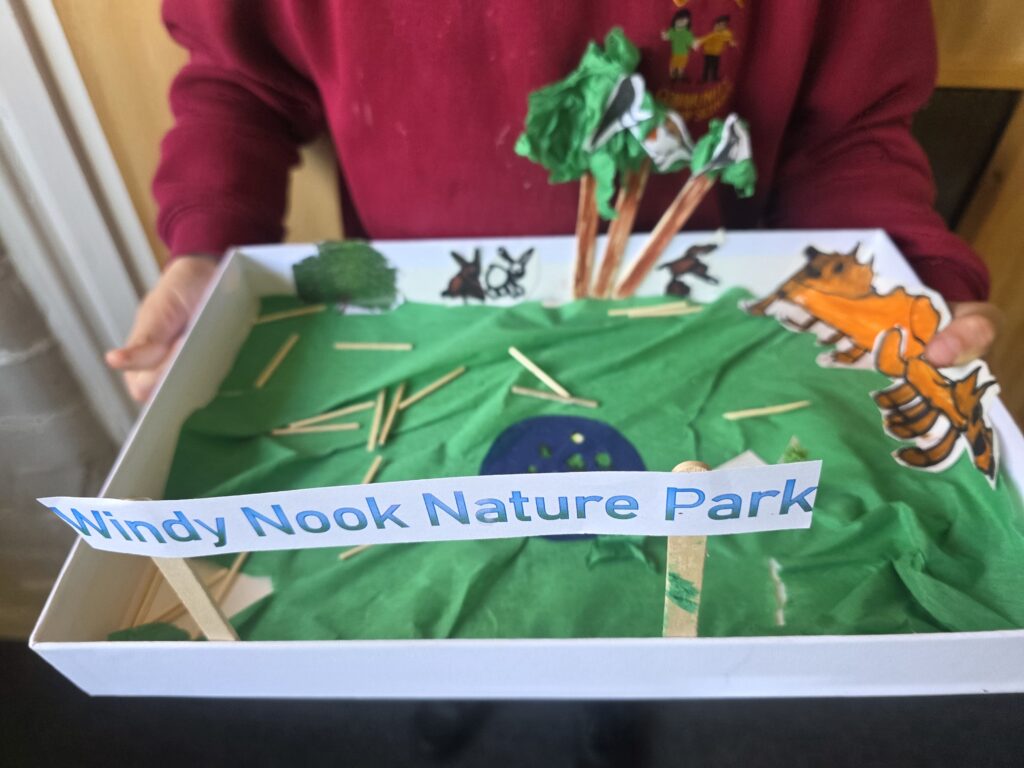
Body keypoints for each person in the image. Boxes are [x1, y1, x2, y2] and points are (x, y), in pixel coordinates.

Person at [108, 0, 1001, 406]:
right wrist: (210, 246)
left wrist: (901, 274)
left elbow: (844, 131)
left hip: (703, 332)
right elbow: (240, 82)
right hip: (411, 333)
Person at [661, 9, 696, 81]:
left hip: (684, 54)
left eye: (684, 21)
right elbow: (666, 37)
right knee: (672, 66)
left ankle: (679, 78)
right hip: (675, 53)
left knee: (680, 67)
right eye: (680, 20)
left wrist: (694, 45)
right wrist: (664, 35)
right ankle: (672, 78)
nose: (681, 23)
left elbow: (691, 41)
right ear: (675, 20)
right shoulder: (672, 30)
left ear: (687, 22)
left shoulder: (687, 32)